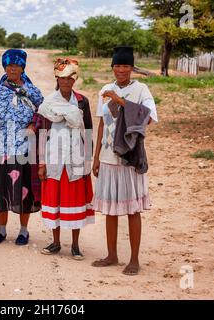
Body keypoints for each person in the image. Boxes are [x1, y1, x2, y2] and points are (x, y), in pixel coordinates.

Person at [91, 46, 158, 275]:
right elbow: (102, 123)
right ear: (112, 67)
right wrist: (97, 156)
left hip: (129, 156)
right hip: (108, 156)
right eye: (117, 66)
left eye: (125, 66)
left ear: (132, 68)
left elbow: (148, 117)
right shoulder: (105, 89)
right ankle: (111, 254)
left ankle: (134, 260)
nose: (121, 70)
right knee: (110, 209)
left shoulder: (141, 90)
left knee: (132, 210)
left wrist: (120, 101)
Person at [0, 49, 43, 246]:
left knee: (23, 191)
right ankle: (1, 230)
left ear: (22, 67)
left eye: (16, 65)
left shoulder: (33, 91)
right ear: (4, 67)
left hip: (23, 148)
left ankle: (24, 231)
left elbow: (44, 114)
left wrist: (34, 124)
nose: (12, 69)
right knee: (0, 191)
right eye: (8, 65)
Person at [37, 58, 94, 260]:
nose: (65, 82)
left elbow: (87, 131)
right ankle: (56, 242)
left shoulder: (81, 101)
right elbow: (43, 132)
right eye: (61, 78)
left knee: (74, 202)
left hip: (75, 159)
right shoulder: (49, 102)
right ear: (57, 78)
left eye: (69, 78)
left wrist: (88, 160)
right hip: (54, 158)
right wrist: (41, 163)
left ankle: (76, 245)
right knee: (56, 202)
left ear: (74, 79)